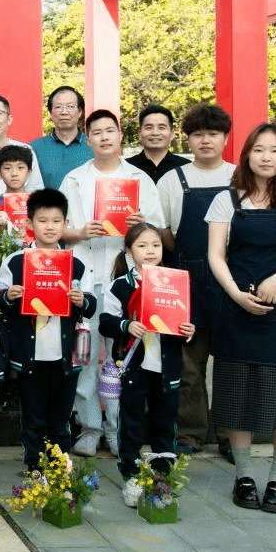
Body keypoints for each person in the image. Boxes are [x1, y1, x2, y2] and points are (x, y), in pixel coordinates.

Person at [207, 123, 276, 515]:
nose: (267, 157)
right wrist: (235, 294)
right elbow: (215, 255)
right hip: (236, 309)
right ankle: (244, 477)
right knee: (236, 395)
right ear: (247, 155)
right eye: (259, 150)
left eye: (274, 150)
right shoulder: (226, 199)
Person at [60, 109, 166, 457]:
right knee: (86, 355)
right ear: (87, 139)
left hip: (128, 281)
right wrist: (80, 231)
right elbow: (57, 229)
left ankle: (118, 431)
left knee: (122, 358)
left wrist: (141, 224)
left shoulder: (139, 179)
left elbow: (157, 232)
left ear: (120, 136)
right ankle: (90, 428)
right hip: (87, 280)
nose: (104, 137)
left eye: (110, 131)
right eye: (97, 132)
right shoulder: (74, 179)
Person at [0, 189, 97, 474]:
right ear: (29, 223)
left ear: (66, 224)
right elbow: (1, 303)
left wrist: (81, 300)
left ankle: (59, 466)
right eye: (42, 221)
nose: (50, 227)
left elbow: (91, 305)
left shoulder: (76, 263)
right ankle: (34, 467)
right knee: (33, 413)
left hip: (65, 353)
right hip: (31, 353)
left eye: (56, 221)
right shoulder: (16, 261)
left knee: (61, 414)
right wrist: (10, 296)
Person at [157, 103, 235, 458]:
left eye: (213, 134)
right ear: (187, 139)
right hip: (186, 282)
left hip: (233, 282)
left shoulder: (240, 178)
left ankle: (231, 437)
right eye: (198, 134)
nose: (205, 141)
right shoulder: (173, 180)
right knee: (188, 365)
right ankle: (190, 433)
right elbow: (164, 232)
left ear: (225, 138)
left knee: (230, 364)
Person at [99, 223, 195, 507]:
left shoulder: (175, 282)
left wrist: (188, 331)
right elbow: (105, 322)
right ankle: (131, 476)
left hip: (166, 368)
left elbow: (183, 322)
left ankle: (162, 479)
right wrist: (126, 325)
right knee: (130, 423)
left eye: (155, 245)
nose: (150, 251)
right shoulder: (121, 285)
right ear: (129, 251)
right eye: (142, 245)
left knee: (165, 424)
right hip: (134, 368)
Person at [29, 86, 92, 190]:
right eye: (58, 107)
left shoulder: (93, 145)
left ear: (80, 112)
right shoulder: (35, 148)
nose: (64, 112)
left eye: (70, 107)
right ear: (50, 113)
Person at [126, 104, 190, 183]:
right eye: (149, 128)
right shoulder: (126, 167)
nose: (155, 133)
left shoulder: (186, 167)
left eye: (161, 128)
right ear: (139, 133)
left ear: (172, 134)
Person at [0, 144, 35, 232]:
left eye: (20, 167)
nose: (14, 173)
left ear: (29, 172)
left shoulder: (39, 203)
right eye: (7, 168)